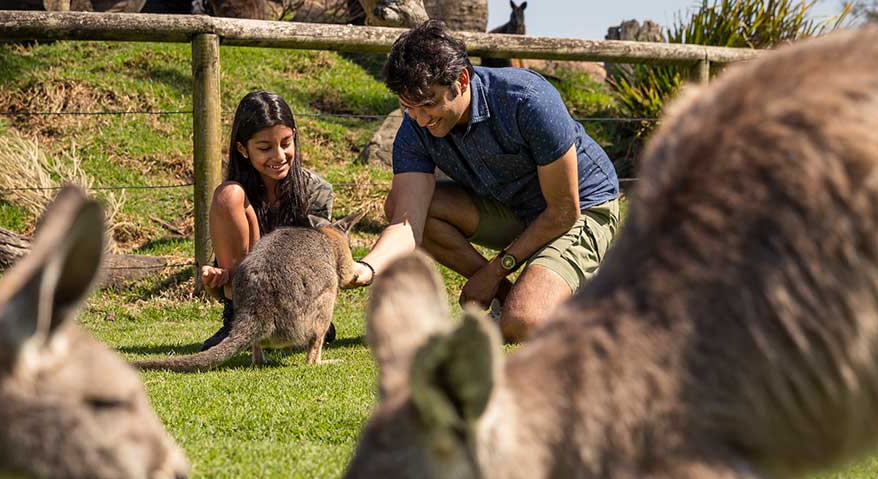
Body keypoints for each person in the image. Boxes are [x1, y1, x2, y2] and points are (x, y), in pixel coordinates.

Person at [346, 20, 622, 343]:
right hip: (516, 208)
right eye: (408, 107)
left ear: (461, 80)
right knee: (400, 203)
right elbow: (408, 221)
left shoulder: (528, 100)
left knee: (522, 323)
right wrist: (366, 268)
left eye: (428, 103)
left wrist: (491, 272)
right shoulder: (415, 131)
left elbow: (563, 210)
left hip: (580, 208)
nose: (420, 119)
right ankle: (510, 296)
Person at [199, 90, 337, 350]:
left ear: (294, 136)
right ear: (242, 149)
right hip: (251, 304)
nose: (279, 156)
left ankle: (300, 332)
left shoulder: (316, 190)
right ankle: (236, 324)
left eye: (286, 143)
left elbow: (322, 265)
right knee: (228, 195)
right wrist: (220, 279)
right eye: (264, 148)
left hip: (299, 304)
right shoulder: (237, 195)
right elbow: (231, 279)